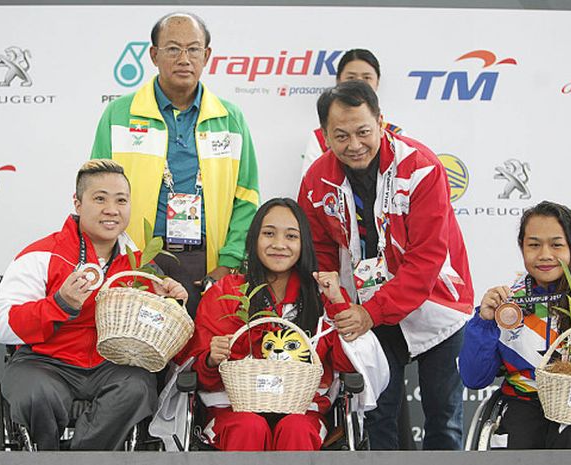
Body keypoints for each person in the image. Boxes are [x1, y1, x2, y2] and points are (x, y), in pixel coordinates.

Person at [298, 80, 473, 450]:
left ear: (381, 122)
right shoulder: (316, 180)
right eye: (340, 136)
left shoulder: (421, 168)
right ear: (325, 135)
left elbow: (426, 261)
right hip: (367, 307)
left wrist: (369, 313)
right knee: (379, 416)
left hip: (436, 303)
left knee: (443, 418)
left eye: (363, 131)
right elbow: (321, 257)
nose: (354, 145)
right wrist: (341, 306)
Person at [0, 160, 188, 450]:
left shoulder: (140, 264)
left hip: (112, 364)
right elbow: (4, 325)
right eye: (100, 199)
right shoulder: (41, 255)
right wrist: (59, 304)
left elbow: (159, 332)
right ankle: (46, 457)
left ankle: (81, 459)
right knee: (36, 394)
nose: (112, 209)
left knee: (137, 388)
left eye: (121, 200)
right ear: (78, 203)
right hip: (45, 363)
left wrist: (172, 301)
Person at [91, 12, 259, 317]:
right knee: (140, 358)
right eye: (173, 49)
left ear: (206, 56)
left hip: (207, 262)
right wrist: (127, 261)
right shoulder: (119, 114)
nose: (184, 59)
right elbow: (98, 194)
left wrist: (229, 263)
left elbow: (246, 198)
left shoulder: (230, 118)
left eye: (193, 49)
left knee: (207, 357)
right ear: (154, 55)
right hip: (138, 259)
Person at [183, 198, 357, 450]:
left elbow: (346, 364)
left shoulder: (323, 295)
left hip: (303, 411)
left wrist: (338, 303)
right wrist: (211, 359)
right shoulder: (225, 292)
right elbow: (199, 376)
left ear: (304, 243)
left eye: (291, 236)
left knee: (295, 429)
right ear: (253, 239)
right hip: (231, 409)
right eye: (268, 234)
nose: (279, 245)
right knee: (248, 427)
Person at [459, 201, 571, 449]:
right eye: (534, 245)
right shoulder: (506, 306)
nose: (545, 255)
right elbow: (474, 378)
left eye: (556, 244)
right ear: (521, 248)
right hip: (524, 402)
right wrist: (484, 323)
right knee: (521, 431)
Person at [300, 49, 402, 177]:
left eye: (366, 77)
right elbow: (311, 182)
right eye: (351, 77)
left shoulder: (397, 135)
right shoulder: (319, 138)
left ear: (377, 82)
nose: (355, 145)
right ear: (338, 81)